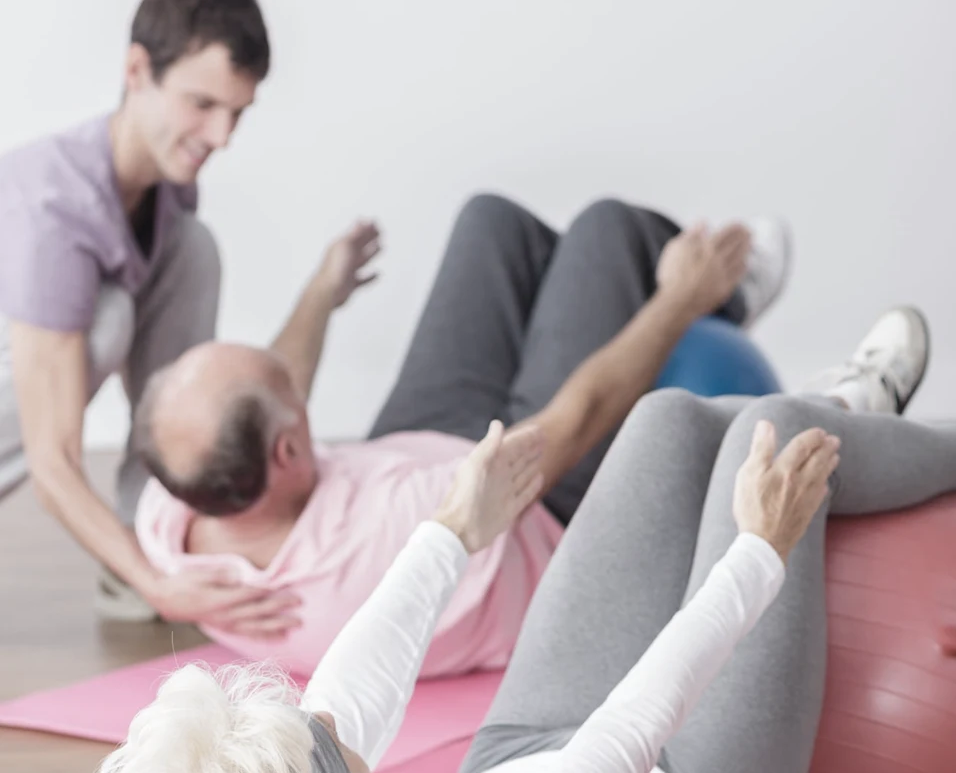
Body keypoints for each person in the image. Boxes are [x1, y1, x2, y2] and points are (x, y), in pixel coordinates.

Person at [79, 314, 956, 773]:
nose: (328, 720)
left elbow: (345, 702)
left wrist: (451, 529)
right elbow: (632, 729)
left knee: (668, 419)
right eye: (325, 755)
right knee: (767, 437)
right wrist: (758, 554)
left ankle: (856, 410)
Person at [133, 193, 797, 671]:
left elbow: (268, 396)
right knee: (608, 229)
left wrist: (322, 290)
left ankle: (582, 286)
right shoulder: (384, 538)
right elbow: (572, 425)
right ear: (285, 453)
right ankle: (735, 293)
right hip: (536, 510)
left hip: (412, 456)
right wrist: (683, 297)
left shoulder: (173, 512)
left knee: (492, 223)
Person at [0, 0, 354, 630]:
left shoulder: (167, 188)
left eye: (237, 113)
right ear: (137, 71)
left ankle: (151, 530)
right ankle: (145, 567)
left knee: (194, 247)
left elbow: (219, 394)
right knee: (107, 318)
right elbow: (54, 464)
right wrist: (162, 588)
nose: (221, 136)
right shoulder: (52, 213)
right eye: (202, 105)